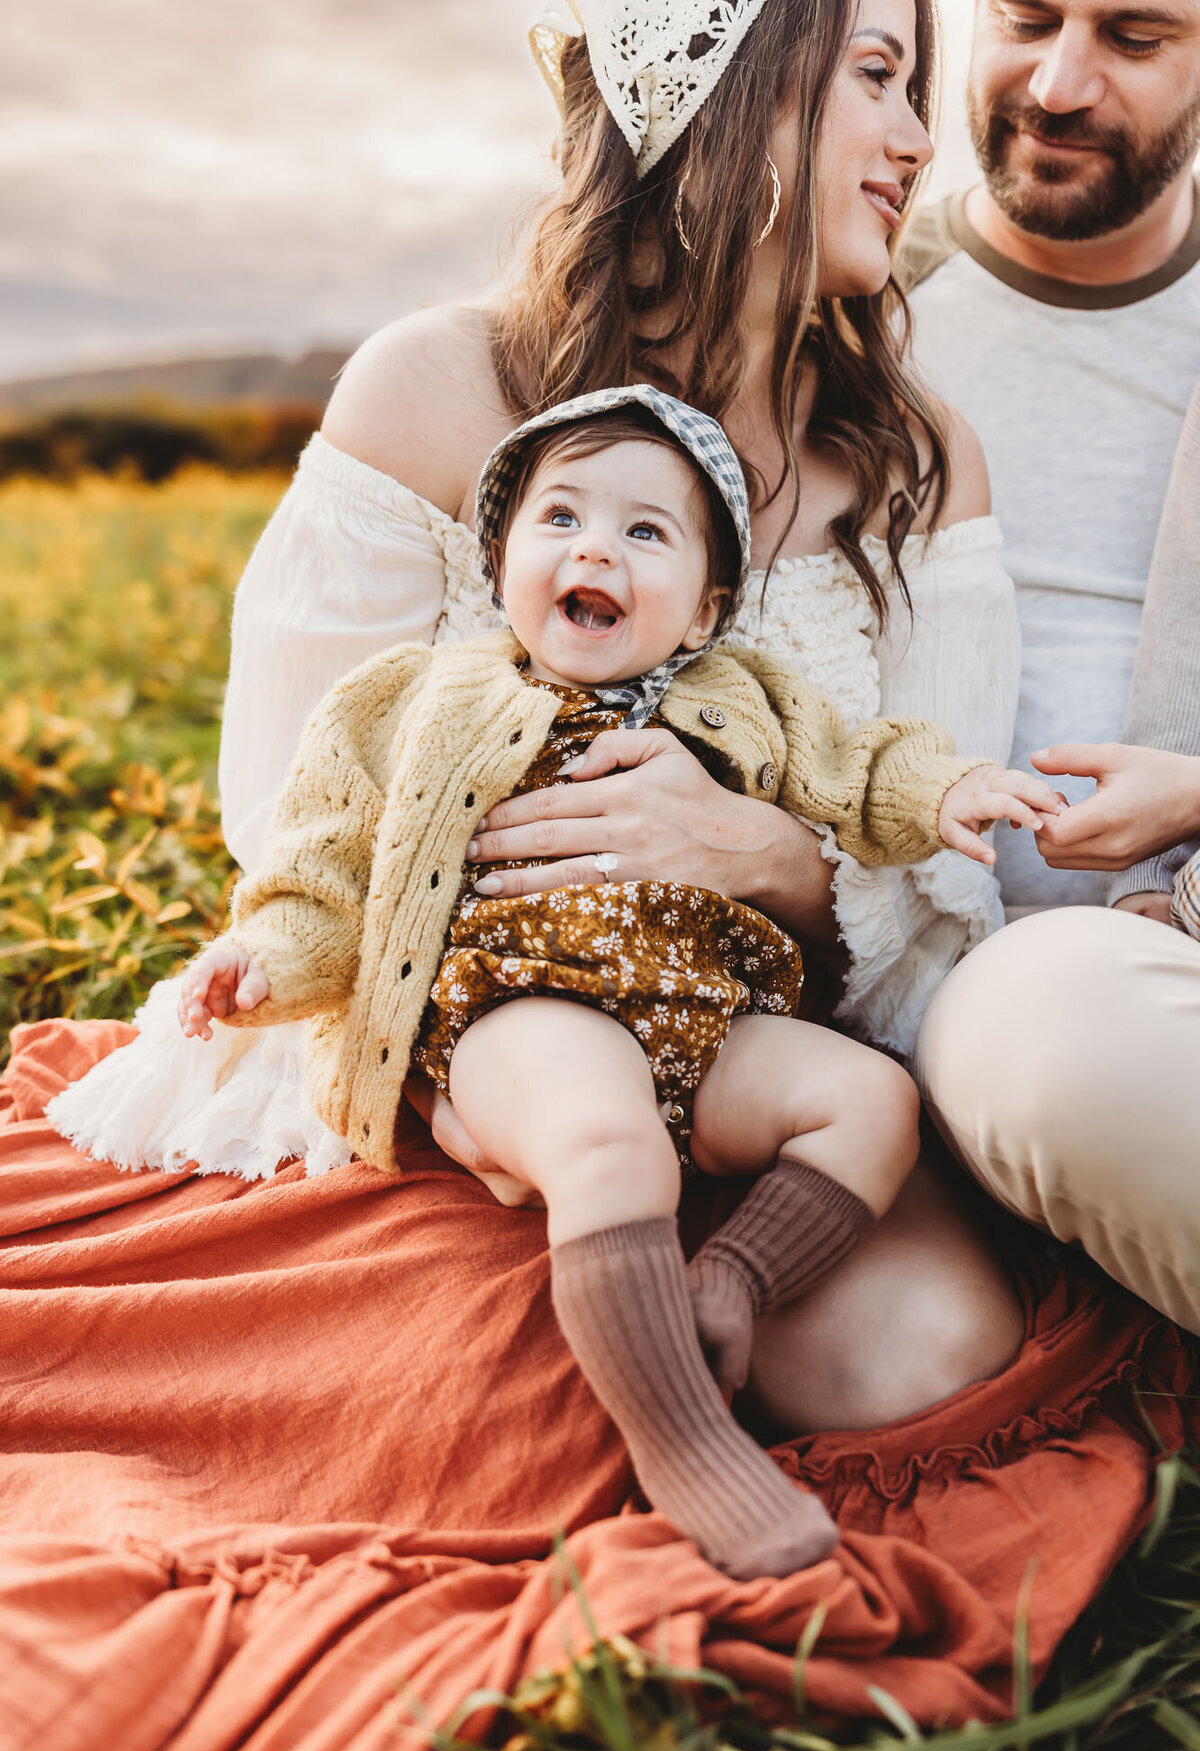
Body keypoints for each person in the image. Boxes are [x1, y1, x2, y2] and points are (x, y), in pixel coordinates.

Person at [50, 0, 1032, 1434]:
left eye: (917, 90)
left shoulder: (913, 463)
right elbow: (289, 804)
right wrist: (468, 1019)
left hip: (743, 1040)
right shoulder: (440, 385)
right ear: (731, 88)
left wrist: (769, 860)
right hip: (469, 1054)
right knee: (450, 1382)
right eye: (877, 80)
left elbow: (945, 886)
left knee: (918, 1357)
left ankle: (694, 1286)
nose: (911, 142)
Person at [173, 387, 1053, 1576]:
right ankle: (683, 1445)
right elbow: (327, 867)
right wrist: (262, 962)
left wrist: (944, 796)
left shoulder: (752, 701)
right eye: (562, 518)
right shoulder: (418, 699)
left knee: (869, 1101)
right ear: (501, 560)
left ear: (709, 606)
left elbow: (861, 770)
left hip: (702, 1014)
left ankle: (729, 1287)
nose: (595, 547)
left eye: (647, 533)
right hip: (522, 1004)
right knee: (608, 1142)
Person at [900, 0, 1200, 1327]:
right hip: (1014, 987)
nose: (1061, 83)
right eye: (1026, 19)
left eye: (1137, 39)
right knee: (1055, 1038)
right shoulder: (857, 299)